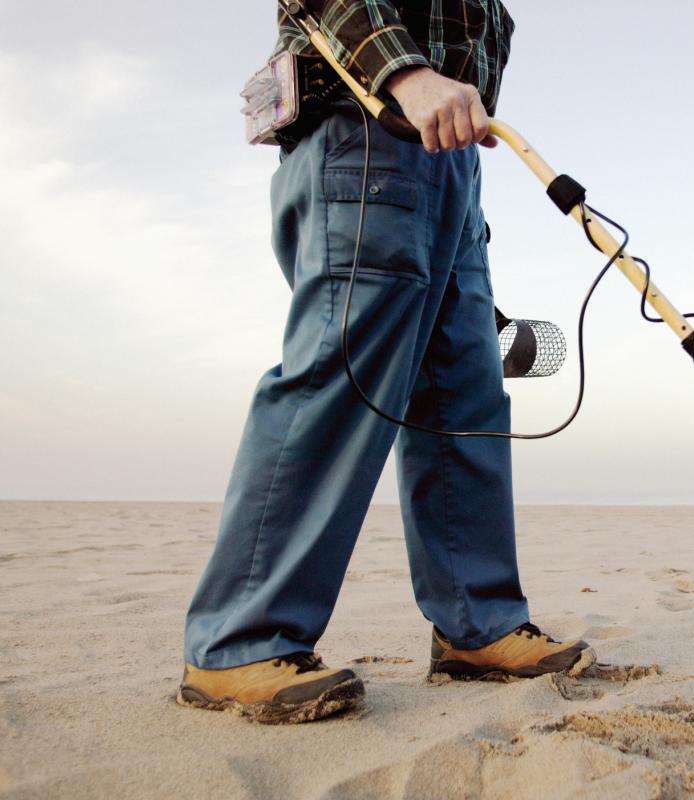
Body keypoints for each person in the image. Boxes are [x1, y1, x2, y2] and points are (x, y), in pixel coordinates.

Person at [177, 0, 593, 725]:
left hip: (450, 162)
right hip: (371, 125)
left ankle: (478, 625)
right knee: (342, 377)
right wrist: (405, 71)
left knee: (465, 395)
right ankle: (237, 642)